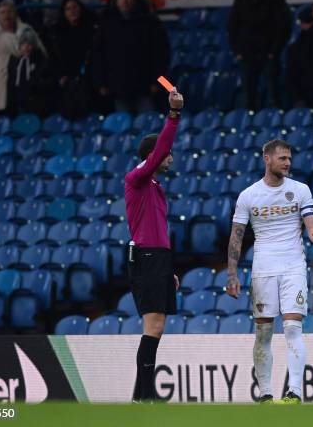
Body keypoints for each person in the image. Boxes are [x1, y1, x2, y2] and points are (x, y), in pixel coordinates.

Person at [227, 139, 313, 404]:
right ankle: (266, 394)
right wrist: (232, 274)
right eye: (282, 158)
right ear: (267, 159)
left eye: (290, 159)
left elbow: (311, 220)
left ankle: (294, 393)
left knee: (293, 327)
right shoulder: (249, 195)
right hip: (263, 269)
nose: (288, 163)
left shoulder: (300, 190)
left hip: (293, 266)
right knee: (264, 333)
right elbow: (236, 237)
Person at [125, 88, 184, 402]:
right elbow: (162, 146)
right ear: (153, 156)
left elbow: (159, 231)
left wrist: (168, 268)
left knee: (157, 327)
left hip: (157, 259)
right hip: (147, 258)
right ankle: (145, 396)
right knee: (154, 326)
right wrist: (173, 116)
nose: (170, 157)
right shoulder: (136, 179)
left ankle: (140, 396)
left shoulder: (156, 188)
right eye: (166, 154)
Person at [93, 0, 170, 113]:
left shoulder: (150, 23)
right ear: (116, 1)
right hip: (118, 86)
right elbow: (99, 56)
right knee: (123, 124)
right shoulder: (106, 24)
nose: (125, 1)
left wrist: (156, 82)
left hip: (145, 85)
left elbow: (160, 55)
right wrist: (101, 83)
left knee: (147, 123)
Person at [0, 0, 46, 114]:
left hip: (28, 87)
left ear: (15, 13)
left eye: (10, 11)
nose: (7, 15)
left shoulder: (27, 30)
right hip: (0, 87)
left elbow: (41, 54)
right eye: (2, 12)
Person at [227, 0, 292, 110]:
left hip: (269, 53)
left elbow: (284, 26)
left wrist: (274, 51)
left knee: (273, 93)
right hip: (247, 54)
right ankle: (248, 123)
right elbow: (232, 27)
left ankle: (275, 121)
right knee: (248, 94)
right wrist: (238, 51)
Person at [48, 0, 97, 119]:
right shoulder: (55, 33)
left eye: (75, 7)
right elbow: (53, 58)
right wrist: (60, 76)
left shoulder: (93, 30)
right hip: (66, 84)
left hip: (90, 81)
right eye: (68, 9)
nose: (72, 11)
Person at [6, 27, 52, 116]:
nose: (26, 47)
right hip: (17, 104)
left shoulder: (41, 61)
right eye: (23, 44)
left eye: (29, 44)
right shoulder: (14, 61)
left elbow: (44, 82)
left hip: (36, 104)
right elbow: (11, 84)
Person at [286, 7, 313, 107]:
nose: (311, 25)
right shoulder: (296, 48)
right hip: (304, 94)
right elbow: (292, 74)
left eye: (312, 22)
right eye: (307, 22)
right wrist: (297, 97)